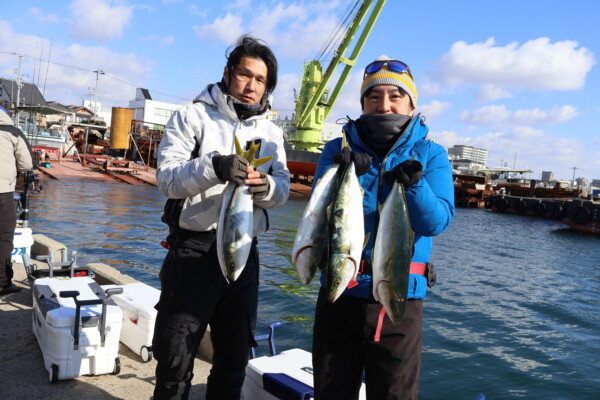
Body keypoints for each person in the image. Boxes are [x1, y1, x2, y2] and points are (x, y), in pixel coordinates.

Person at [152, 35, 290, 399]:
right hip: (193, 253)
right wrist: (214, 167)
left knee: (233, 360)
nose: (251, 86)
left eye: (260, 80)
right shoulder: (191, 116)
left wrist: (265, 189)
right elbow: (166, 179)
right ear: (228, 73)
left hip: (244, 253)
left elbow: (284, 189)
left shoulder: (272, 132)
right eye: (245, 75)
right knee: (174, 359)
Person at [311, 56, 455, 400]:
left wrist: (415, 184)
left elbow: (436, 222)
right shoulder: (337, 149)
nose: (384, 104)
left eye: (395, 96)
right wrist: (342, 174)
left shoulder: (431, 154)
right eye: (373, 97)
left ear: (412, 103)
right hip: (340, 290)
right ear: (362, 103)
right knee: (331, 392)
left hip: (398, 301)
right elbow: (316, 217)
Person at [0, 106, 33, 296]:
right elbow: (26, 164)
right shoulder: (12, 132)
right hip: (3, 191)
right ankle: (3, 283)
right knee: (3, 237)